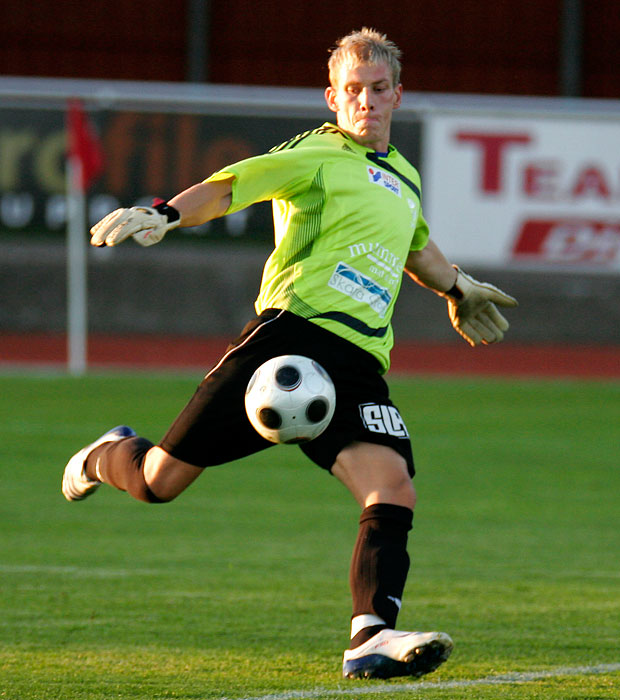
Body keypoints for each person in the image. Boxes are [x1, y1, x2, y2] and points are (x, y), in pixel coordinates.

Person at [62, 28, 517, 680]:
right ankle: (107, 453)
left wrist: (459, 285)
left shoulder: (405, 179)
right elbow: (229, 187)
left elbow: (416, 247)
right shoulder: (315, 154)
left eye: (378, 89)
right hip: (288, 340)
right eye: (353, 91)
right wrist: (163, 212)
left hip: (359, 365)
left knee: (393, 489)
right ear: (333, 97)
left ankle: (370, 638)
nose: (366, 101)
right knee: (160, 481)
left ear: (398, 95)